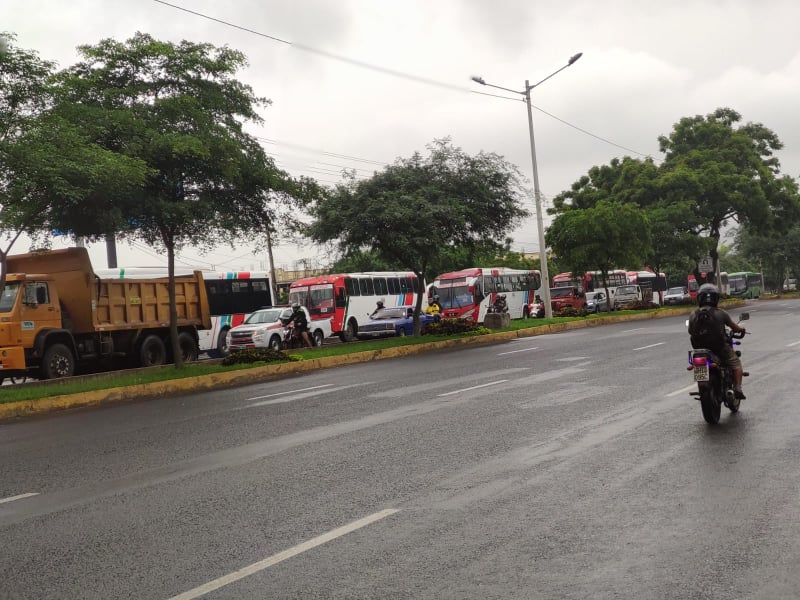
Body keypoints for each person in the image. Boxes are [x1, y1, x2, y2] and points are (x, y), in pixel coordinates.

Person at [688, 283, 747, 399]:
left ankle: (703, 386)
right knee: (736, 363)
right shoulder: (721, 313)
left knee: (698, 364)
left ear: (699, 298)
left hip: (699, 351)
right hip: (719, 348)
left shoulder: (693, 314)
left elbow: (690, 331)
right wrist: (741, 329)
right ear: (716, 298)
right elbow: (734, 328)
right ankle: (738, 388)